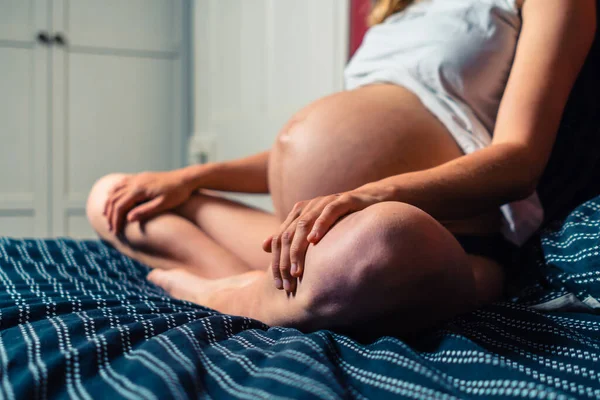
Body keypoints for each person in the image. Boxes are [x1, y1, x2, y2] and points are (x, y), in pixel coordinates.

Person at [86, 0, 596, 337]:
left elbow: (519, 160)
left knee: (384, 240)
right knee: (115, 198)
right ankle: (268, 290)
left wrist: (371, 195)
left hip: (434, 238)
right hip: (308, 237)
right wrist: (191, 178)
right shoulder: (397, 10)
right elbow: (307, 148)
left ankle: (219, 292)